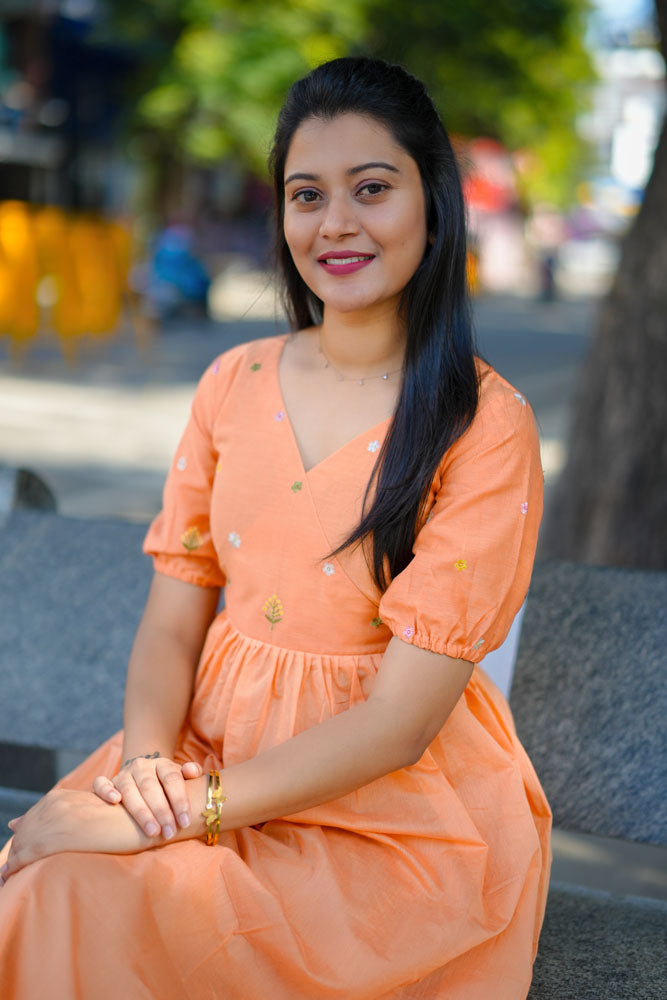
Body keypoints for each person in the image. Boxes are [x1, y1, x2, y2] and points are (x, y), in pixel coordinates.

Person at [0, 57, 551, 999]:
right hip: (198, 762)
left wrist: (177, 819)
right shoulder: (234, 383)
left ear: (434, 202)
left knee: (97, 898)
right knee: (46, 878)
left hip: (387, 824)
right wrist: (145, 781)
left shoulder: (481, 424)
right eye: (307, 195)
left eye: (371, 189)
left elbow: (400, 722)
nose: (334, 223)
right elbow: (173, 623)